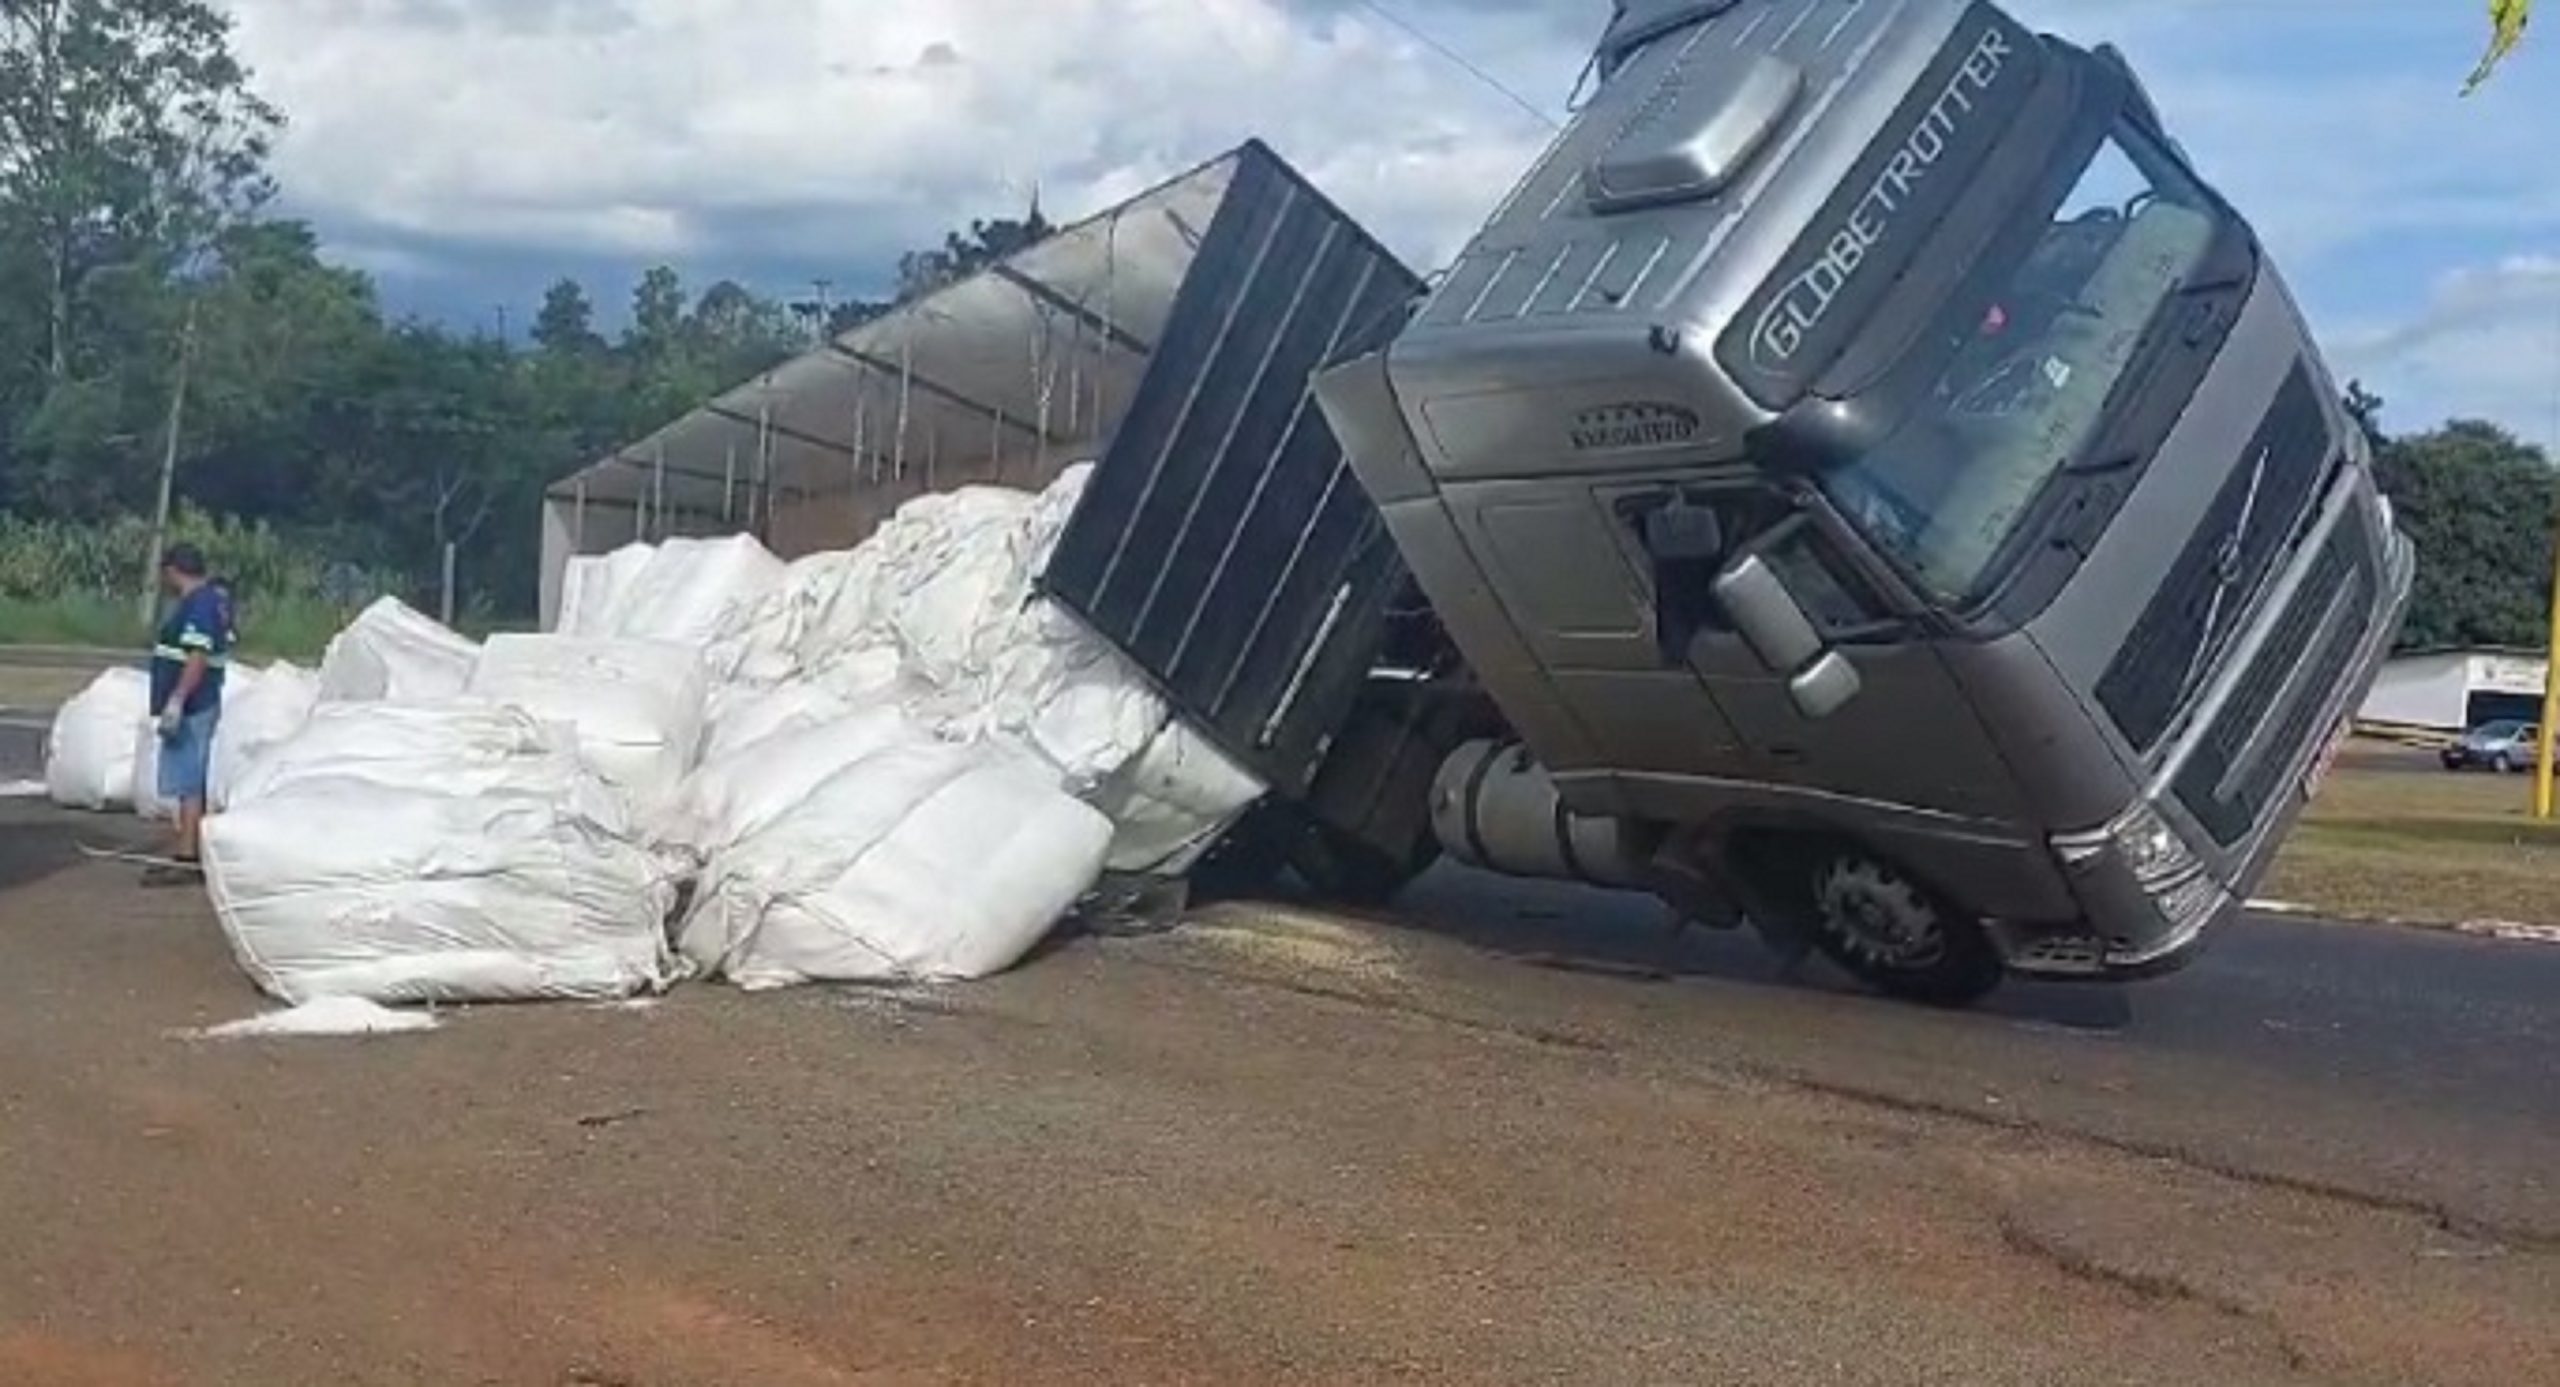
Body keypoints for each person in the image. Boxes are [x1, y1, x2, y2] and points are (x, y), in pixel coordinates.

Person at [144, 543, 235, 885]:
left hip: (194, 706)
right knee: (185, 782)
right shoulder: (209, 602)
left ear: (172, 570)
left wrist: (178, 699)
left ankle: (187, 857)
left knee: (189, 783)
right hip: (195, 702)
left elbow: (197, 657)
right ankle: (184, 849)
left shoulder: (200, 604)